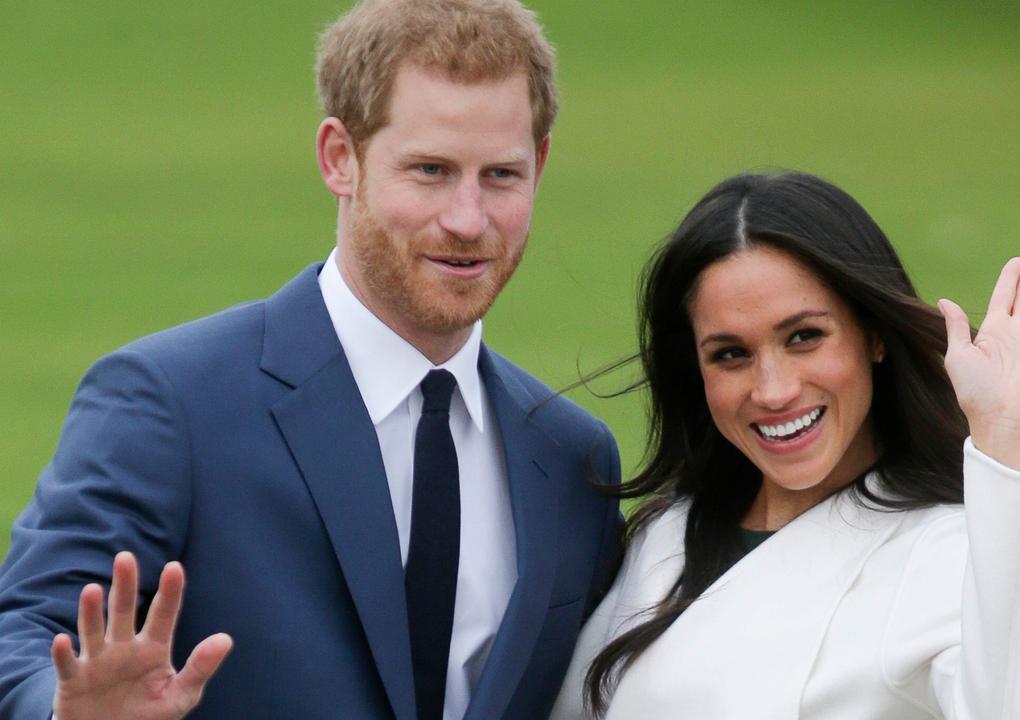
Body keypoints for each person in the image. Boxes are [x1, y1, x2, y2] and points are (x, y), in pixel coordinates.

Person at [0, 1, 622, 718]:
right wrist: (62, 710)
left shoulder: (574, 459)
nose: (467, 219)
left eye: (502, 176)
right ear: (340, 158)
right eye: (430, 170)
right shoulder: (171, 403)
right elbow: (25, 631)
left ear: (540, 164)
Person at [550, 171, 1020, 719]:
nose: (774, 390)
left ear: (873, 333)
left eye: (804, 337)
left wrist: (1004, 435)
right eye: (730, 354)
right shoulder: (664, 533)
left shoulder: (945, 552)